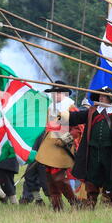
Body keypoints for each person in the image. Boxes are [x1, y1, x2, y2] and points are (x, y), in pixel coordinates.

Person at [58, 86, 112, 209]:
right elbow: (77, 117)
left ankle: (110, 201)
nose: (101, 97)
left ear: (110, 98)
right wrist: (63, 116)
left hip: (111, 152)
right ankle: (90, 201)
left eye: (104, 96)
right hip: (93, 151)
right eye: (100, 95)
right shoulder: (92, 111)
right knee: (92, 176)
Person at [35, 80, 83, 211]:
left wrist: (65, 139)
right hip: (49, 146)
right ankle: (57, 206)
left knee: (59, 177)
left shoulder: (70, 108)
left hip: (63, 147)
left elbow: (78, 129)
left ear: (65, 94)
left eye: (58, 93)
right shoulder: (51, 109)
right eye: (53, 93)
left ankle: (74, 202)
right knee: (50, 178)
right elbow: (48, 129)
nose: (55, 96)